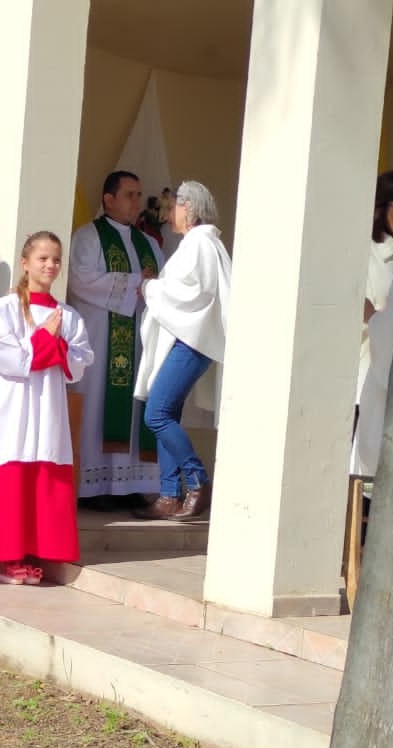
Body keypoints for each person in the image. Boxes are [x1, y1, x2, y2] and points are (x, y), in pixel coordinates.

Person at [0, 232, 94, 585]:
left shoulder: (68, 315)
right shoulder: (4, 308)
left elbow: (81, 361)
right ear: (25, 263)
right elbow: (4, 357)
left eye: (56, 259)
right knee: (12, 473)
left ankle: (41, 549)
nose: (51, 265)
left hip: (48, 408)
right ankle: (4, 558)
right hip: (13, 407)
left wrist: (56, 345)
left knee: (45, 467)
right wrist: (46, 339)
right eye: (43, 258)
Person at [133, 181, 232, 521]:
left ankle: (197, 480)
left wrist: (149, 287)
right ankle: (169, 495)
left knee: (156, 414)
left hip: (188, 341)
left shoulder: (201, 243)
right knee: (167, 413)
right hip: (186, 339)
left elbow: (194, 294)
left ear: (188, 208)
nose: (169, 212)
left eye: (174, 206)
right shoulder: (198, 242)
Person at [69, 170, 165, 508]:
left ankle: (132, 485)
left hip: (139, 342)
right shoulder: (88, 237)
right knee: (98, 406)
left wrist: (150, 287)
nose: (137, 201)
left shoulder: (150, 243)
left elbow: (163, 287)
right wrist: (134, 283)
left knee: (137, 406)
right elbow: (79, 280)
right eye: (129, 194)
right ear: (108, 199)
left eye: (139, 194)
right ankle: (96, 488)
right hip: (102, 341)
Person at [349, 171, 393, 480]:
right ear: (380, 207)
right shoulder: (365, 251)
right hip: (364, 367)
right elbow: (357, 304)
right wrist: (381, 317)